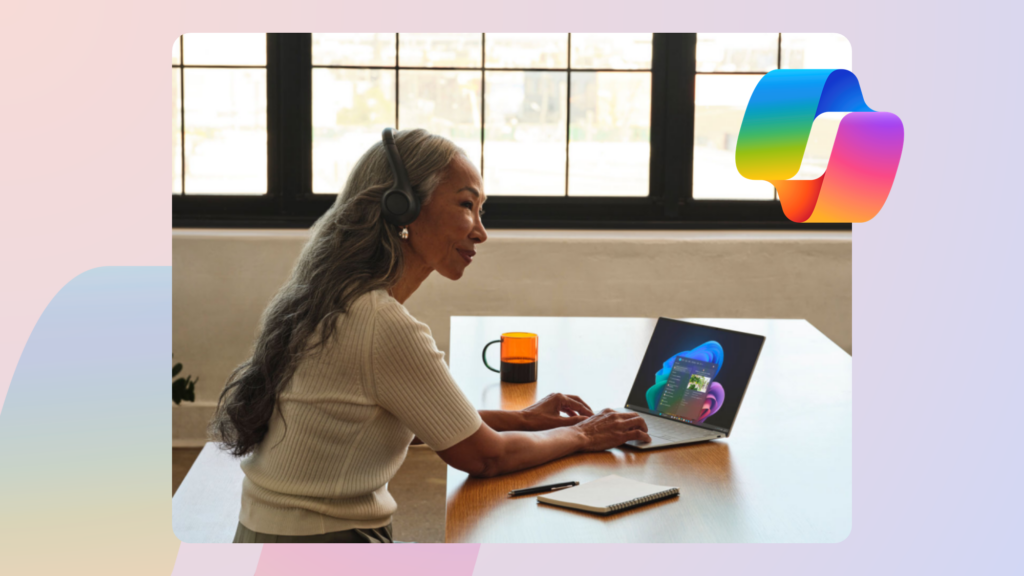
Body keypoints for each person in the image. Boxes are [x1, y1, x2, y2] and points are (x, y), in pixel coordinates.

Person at [212, 128, 651, 544]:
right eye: (466, 205)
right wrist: (587, 435)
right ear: (402, 207)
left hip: (275, 535)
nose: (480, 231)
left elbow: (406, 417)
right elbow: (485, 457)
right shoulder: (379, 322)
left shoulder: (335, 298)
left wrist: (522, 419)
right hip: (319, 544)